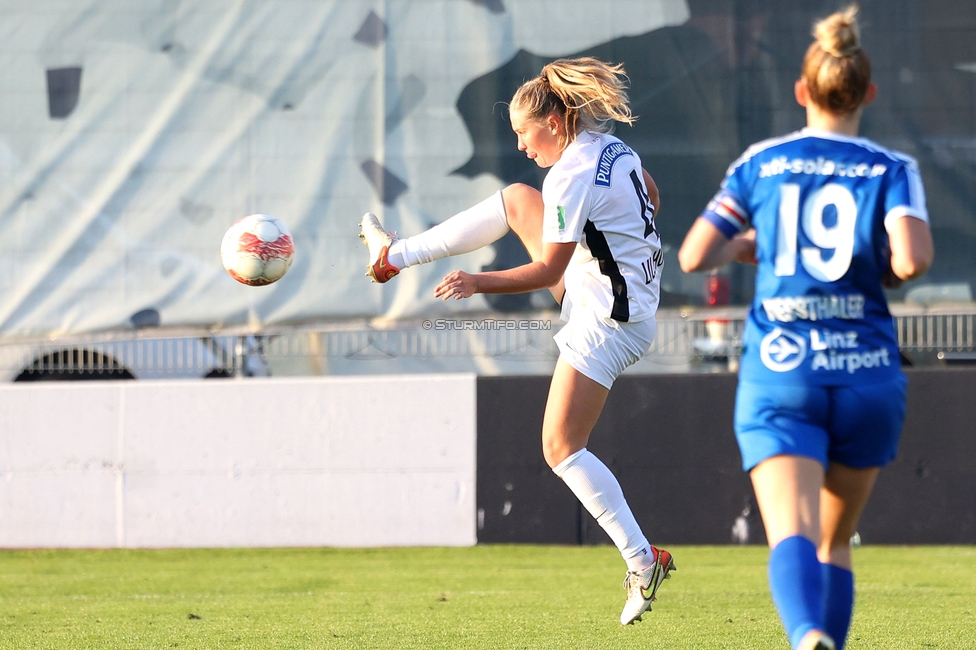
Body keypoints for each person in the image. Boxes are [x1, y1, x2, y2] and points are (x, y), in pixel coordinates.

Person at [359, 56, 674, 625]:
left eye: (523, 134)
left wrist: (477, 280)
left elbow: (543, 271)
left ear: (552, 123)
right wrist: (627, 243)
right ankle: (394, 254)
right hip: (616, 296)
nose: (523, 145)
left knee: (560, 447)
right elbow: (649, 190)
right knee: (513, 199)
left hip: (608, 321)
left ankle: (641, 558)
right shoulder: (610, 149)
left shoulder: (571, 175)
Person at [678, 6, 933, 650]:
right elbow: (912, 259)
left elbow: (693, 255)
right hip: (867, 373)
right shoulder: (891, 169)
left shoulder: (761, 161)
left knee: (790, 528)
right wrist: (882, 269)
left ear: (801, 91)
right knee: (834, 537)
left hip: (782, 370)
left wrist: (750, 247)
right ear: (868, 94)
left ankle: (804, 633)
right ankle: (828, 640)